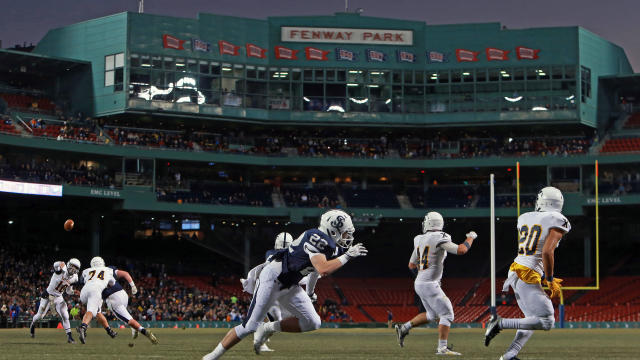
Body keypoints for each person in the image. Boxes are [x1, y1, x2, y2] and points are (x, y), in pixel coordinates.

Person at [203, 210, 368, 360]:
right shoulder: (317, 238)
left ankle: (268, 327)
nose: (347, 237)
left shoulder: (330, 245)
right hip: (273, 278)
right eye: (345, 232)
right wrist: (347, 257)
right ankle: (211, 357)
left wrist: (310, 293)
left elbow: (315, 272)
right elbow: (323, 269)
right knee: (249, 326)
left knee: (313, 322)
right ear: (333, 230)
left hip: (290, 283)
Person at [484, 187, 570, 360]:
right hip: (528, 273)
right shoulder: (558, 219)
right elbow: (547, 252)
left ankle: (509, 355)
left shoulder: (525, 217)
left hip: (517, 268)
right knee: (546, 321)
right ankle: (500, 323)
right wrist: (550, 278)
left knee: (531, 318)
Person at [394, 211, 477, 355]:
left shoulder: (418, 239)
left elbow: (411, 265)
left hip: (419, 282)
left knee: (432, 315)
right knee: (447, 314)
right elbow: (461, 250)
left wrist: (422, 276)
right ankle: (442, 349)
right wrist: (471, 237)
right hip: (429, 283)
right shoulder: (440, 237)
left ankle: (404, 328)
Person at [250, 232, 294, 353]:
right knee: (274, 322)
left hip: (268, 289)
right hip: (269, 290)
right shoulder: (286, 256)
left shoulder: (270, 253)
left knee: (275, 321)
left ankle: (259, 340)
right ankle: (259, 341)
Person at [94, 265, 158, 344]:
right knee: (127, 316)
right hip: (123, 294)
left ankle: (144, 331)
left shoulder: (92, 279)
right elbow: (125, 274)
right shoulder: (109, 269)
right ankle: (133, 328)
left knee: (128, 320)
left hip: (113, 299)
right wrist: (133, 286)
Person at [30, 258, 81, 343]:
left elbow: (68, 291)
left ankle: (69, 337)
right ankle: (33, 323)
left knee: (65, 315)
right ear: (69, 265)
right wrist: (59, 263)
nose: (73, 269)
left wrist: (74, 292)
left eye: (76, 267)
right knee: (40, 316)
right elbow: (55, 265)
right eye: (72, 266)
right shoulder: (61, 270)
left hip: (58, 297)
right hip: (48, 296)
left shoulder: (74, 278)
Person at [76, 256, 116, 344]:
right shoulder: (108, 270)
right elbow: (112, 283)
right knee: (92, 311)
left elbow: (82, 280)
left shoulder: (86, 270)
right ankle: (83, 327)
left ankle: (109, 331)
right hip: (96, 290)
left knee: (97, 312)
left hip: (84, 291)